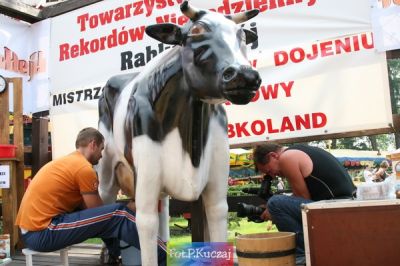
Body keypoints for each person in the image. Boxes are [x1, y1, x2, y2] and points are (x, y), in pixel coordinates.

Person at [15, 127, 166, 265]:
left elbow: (95, 214)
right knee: (118, 214)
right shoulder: (83, 169)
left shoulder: (68, 162)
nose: (101, 155)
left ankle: (115, 257)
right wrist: (130, 207)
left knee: (113, 216)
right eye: (101, 149)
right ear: (92, 144)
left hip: (31, 232)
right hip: (43, 232)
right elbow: (101, 214)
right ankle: (167, 256)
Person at [253, 143, 355, 265]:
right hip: (345, 205)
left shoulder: (287, 157)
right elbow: (300, 198)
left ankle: (302, 256)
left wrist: (272, 208)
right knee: (275, 203)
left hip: (336, 208)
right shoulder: (301, 150)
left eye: (269, 171)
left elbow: (303, 200)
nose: (273, 176)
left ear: (273, 155)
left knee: (274, 202)